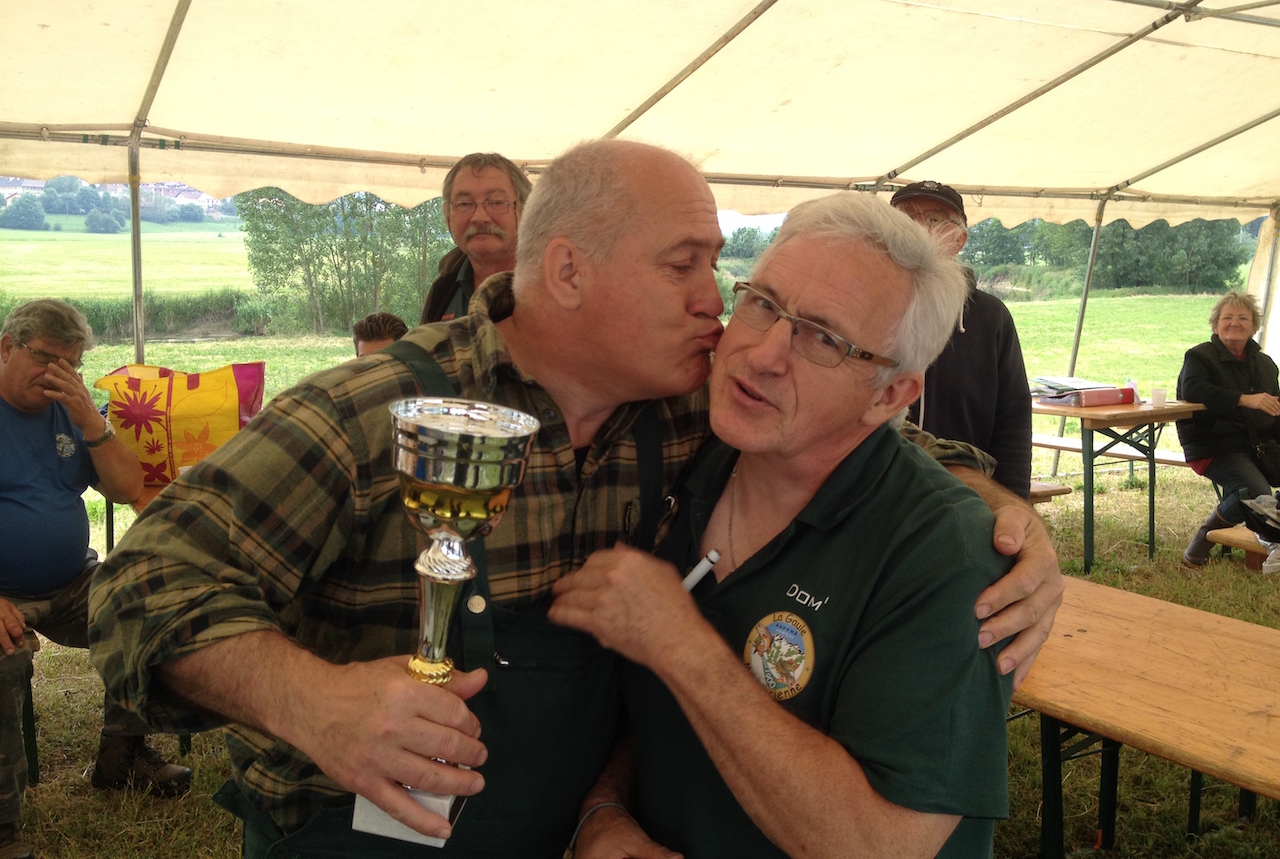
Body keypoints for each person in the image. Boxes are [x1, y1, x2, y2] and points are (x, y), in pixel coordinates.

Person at [88, 140, 1060, 859]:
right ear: (566, 271)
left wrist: (1002, 523)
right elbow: (141, 584)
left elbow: (870, 436)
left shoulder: (689, 412)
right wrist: (314, 703)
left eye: (722, 270)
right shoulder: (375, 412)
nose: (717, 305)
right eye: (684, 265)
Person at [551, 192, 1015, 858]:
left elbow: (879, 844)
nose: (763, 353)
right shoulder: (693, 466)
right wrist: (604, 808)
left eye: (823, 338)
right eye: (763, 303)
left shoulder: (942, 551)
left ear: (889, 394)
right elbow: (653, 713)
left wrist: (680, 644)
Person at [0, 299, 192, 859]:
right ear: (6, 347)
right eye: (45, 358)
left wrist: (91, 421)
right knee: (3, 658)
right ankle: (3, 826)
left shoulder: (70, 411)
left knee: (145, 605)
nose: (57, 374)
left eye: (71, 363)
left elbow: (128, 487)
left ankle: (121, 758)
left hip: (70, 582)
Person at [891, 180, 1032, 498]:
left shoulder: (990, 316)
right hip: (876, 497)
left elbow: (1013, 419)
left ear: (960, 239)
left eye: (935, 219)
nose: (918, 227)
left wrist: (1012, 501)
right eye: (905, 216)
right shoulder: (864, 305)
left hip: (966, 499)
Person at [1176, 292, 1280, 571]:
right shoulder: (1199, 356)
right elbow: (1193, 389)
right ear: (1215, 325)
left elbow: (1275, 412)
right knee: (1256, 492)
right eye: (1228, 317)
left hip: (1256, 444)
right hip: (1212, 444)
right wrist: (1244, 399)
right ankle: (1201, 545)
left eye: (1243, 318)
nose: (1235, 323)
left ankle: (1270, 537)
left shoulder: (1266, 365)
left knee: (1256, 495)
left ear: (1254, 326)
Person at [419, 152, 532, 324]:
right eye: (464, 204)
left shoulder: (556, 286)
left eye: (496, 202)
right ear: (447, 216)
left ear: (525, 211)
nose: (479, 217)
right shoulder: (443, 291)